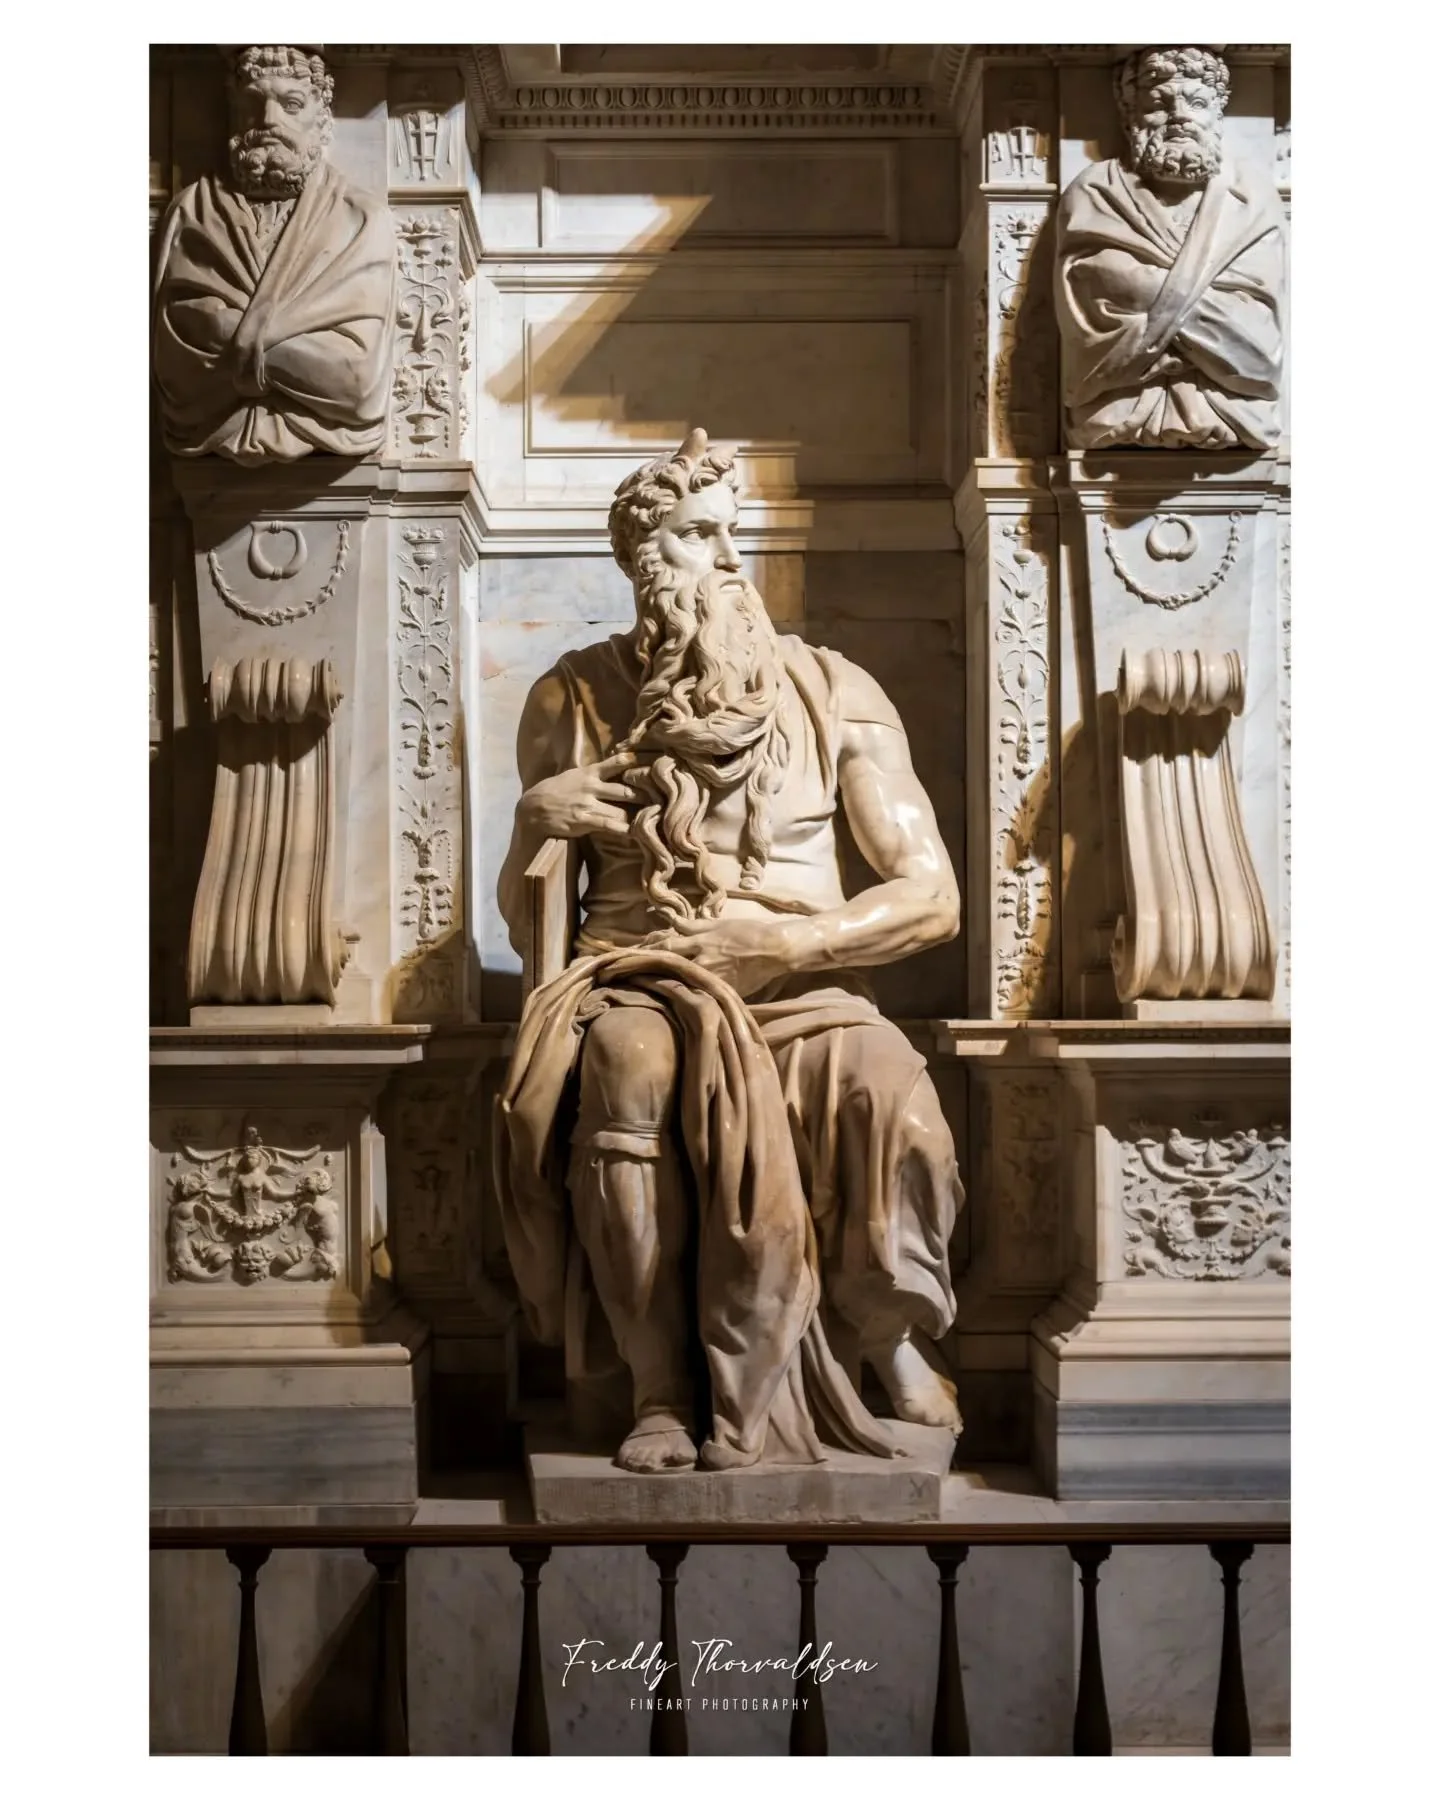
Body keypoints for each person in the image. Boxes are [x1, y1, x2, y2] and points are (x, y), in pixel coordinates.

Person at [494, 429, 964, 1474]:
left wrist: (787, 939)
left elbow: (932, 898)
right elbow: (526, 921)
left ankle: (883, 1334)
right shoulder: (572, 697)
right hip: (636, 974)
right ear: (643, 556)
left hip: (801, 980)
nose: (730, 559)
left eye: (731, 532)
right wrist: (536, 822)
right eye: (700, 534)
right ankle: (659, 1386)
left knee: (893, 1098)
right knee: (627, 1073)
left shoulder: (835, 690)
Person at [153, 45, 395, 464]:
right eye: (253, 103)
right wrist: (300, 353)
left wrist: (229, 336)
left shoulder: (360, 220)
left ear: (322, 119)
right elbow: (178, 369)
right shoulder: (192, 212)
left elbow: (356, 379)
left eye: (291, 104)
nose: (268, 119)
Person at [1056, 46, 1284, 451]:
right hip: (1114, 412)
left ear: (1216, 114)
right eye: (1159, 104)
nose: (1179, 115)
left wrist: (1147, 300)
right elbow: (1092, 291)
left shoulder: (1249, 196)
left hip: (1238, 412)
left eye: (1196, 103)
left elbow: (1259, 335)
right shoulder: (1097, 190)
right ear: (1131, 116)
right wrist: (1208, 310)